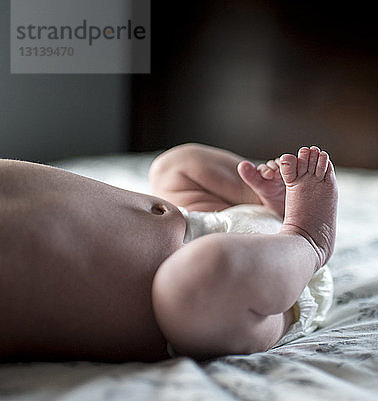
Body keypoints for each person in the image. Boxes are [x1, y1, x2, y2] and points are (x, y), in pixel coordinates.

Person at [0, 144, 337, 361]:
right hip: (220, 301)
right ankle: (309, 239)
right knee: (197, 278)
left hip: (201, 217)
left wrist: (248, 216)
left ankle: (262, 202)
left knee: (175, 165)